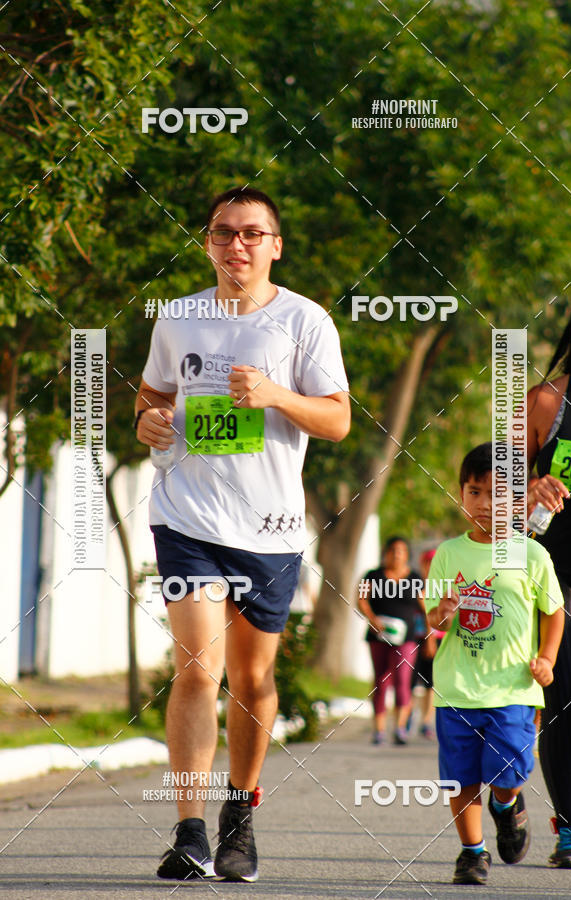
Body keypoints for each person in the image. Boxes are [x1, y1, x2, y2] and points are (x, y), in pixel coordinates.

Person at [135, 187, 350, 882]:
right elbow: (153, 396)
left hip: (270, 528)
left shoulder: (304, 320)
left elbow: (339, 419)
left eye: (253, 234)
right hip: (186, 517)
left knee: (254, 681)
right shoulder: (177, 317)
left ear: (275, 245)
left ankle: (240, 814)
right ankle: (189, 830)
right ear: (207, 243)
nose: (238, 246)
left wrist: (277, 396)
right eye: (224, 234)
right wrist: (148, 422)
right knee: (199, 669)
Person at [426, 442, 564, 886]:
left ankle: (507, 805)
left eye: (497, 493)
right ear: (460, 494)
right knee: (461, 777)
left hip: (514, 688)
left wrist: (546, 658)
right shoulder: (448, 553)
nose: (484, 504)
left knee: (509, 772)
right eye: (473, 492)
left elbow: (553, 610)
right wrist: (442, 614)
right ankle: (472, 853)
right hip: (457, 687)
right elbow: (434, 616)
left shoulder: (533, 555)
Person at [527, 282, 571, 868]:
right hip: (558, 577)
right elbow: (492, 485)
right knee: (560, 704)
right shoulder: (545, 402)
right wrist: (527, 485)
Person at [357, 536, 424, 745]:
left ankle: (400, 728)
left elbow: (425, 606)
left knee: (403, 680)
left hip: (406, 637)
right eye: (393, 550)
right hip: (378, 635)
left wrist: (431, 636)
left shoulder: (414, 578)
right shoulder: (372, 575)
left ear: (407, 555)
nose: (396, 554)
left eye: (401, 551)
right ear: (386, 552)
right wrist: (372, 619)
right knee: (381, 680)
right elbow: (360, 599)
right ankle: (379, 729)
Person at [411, 548, 442, 740]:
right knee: (411, 682)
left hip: (436, 638)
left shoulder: (444, 587)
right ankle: (409, 719)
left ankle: (426, 722)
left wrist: (431, 640)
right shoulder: (415, 584)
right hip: (414, 638)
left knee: (431, 682)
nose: (430, 567)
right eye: (427, 563)